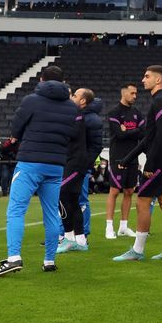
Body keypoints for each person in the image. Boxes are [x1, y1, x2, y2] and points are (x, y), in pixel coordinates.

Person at [0, 65, 80, 278]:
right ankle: (49, 260)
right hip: (56, 164)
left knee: (16, 209)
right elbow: (72, 133)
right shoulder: (71, 107)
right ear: (63, 81)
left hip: (30, 161)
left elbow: (16, 130)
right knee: (51, 213)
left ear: (41, 79)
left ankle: (14, 258)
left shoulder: (31, 100)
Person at [114, 66, 162, 261]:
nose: (143, 80)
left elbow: (160, 135)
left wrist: (150, 164)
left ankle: (138, 250)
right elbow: (149, 137)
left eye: (147, 76)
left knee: (142, 201)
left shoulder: (161, 101)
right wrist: (128, 159)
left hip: (159, 161)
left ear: (158, 80)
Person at [57, 89, 102, 254]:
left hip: (76, 163)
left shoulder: (77, 114)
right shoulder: (78, 113)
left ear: (83, 101)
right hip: (74, 162)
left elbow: (74, 134)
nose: (72, 97)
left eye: (75, 95)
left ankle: (68, 238)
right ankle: (81, 241)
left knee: (61, 194)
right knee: (73, 201)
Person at [105, 83, 144, 239]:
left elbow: (143, 133)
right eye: (132, 93)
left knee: (129, 191)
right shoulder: (114, 112)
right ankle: (109, 227)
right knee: (114, 191)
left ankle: (123, 226)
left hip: (133, 157)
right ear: (124, 93)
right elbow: (119, 136)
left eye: (136, 94)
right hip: (118, 158)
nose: (135, 96)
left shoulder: (137, 113)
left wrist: (127, 130)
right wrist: (134, 132)